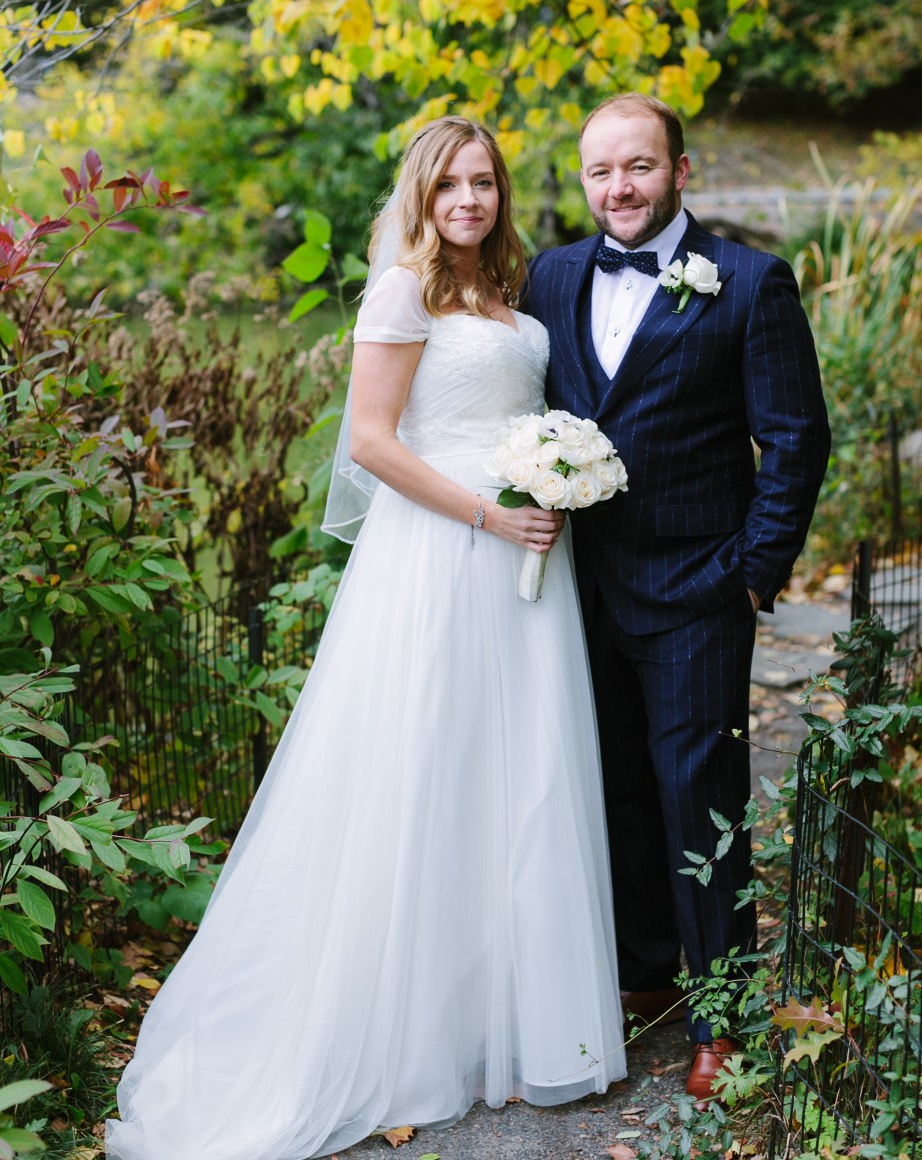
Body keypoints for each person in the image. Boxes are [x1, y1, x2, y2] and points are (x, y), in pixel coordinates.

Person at [105, 117, 626, 1160]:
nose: (470, 202)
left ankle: (507, 1027)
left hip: (525, 559)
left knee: (515, 778)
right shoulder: (403, 290)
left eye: (484, 183)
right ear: (423, 198)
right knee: (421, 771)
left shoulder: (504, 291)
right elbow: (373, 442)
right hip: (442, 557)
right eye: (451, 188)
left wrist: (553, 478)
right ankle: (400, 1026)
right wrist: (489, 512)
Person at [523, 94, 830, 1107]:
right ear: (583, 180)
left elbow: (794, 438)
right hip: (577, 586)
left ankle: (723, 1017)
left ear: (681, 170)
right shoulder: (553, 274)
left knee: (703, 800)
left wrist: (752, 568)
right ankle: (646, 970)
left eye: (640, 166)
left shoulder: (748, 281)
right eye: (602, 170)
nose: (621, 187)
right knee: (609, 789)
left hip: (699, 587)